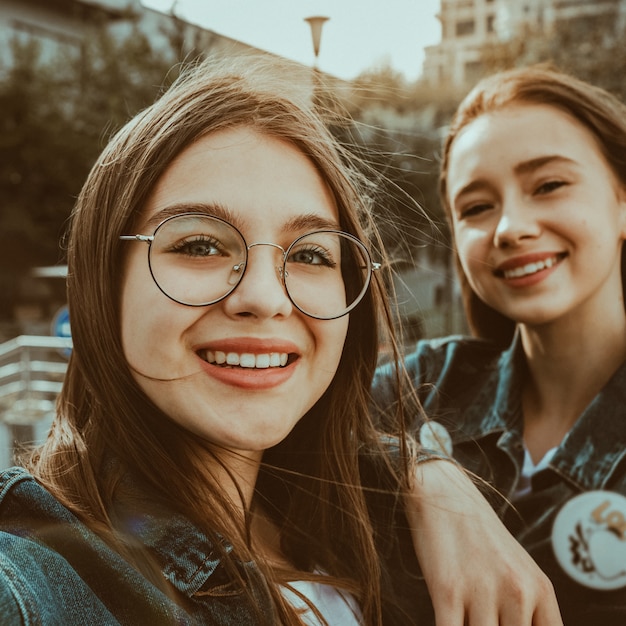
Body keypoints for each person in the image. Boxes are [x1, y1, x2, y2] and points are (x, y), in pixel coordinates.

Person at [0, 56, 560, 625]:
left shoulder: (375, 535)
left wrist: (430, 481)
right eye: (199, 245)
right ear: (102, 282)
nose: (266, 297)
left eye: (311, 254)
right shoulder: (38, 582)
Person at [374, 65, 626, 625]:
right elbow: (299, 439)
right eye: (477, 207)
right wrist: (424, 471)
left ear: (621, 199)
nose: (510, 227)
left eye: (549, 185)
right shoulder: (425, 387)